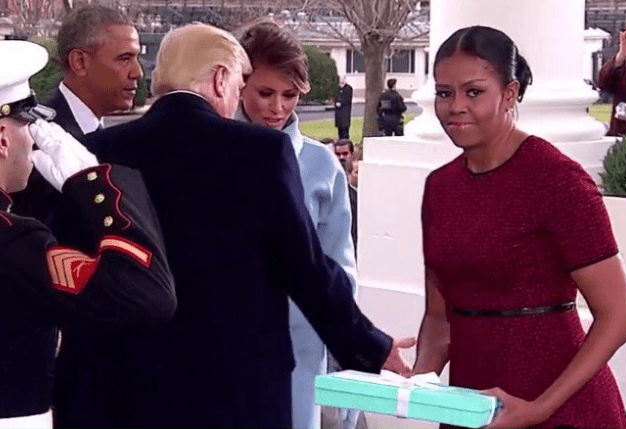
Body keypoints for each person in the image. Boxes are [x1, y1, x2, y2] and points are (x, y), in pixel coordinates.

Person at [68, 23, 410, 428]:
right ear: (219, 77)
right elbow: (307, 269)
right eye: (241, 84)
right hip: (238, 391)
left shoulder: (99, 150)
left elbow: (80, 276)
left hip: (129, 388)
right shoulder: (263, 153)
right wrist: (372, 345)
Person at [413, 26, 626, 429]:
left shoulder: (557, 181)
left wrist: (540, 407)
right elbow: (439, 317)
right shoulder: (440, 188)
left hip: (560, 409)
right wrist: (417, 385)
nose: (455, 106)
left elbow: (619, 316)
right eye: (444, 93)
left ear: (510, 94)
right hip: (471, 407)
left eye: (474, 91)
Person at [0, 40, 174, 428]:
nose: (32, 142)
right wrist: (95, 185)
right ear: (2, 139)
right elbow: (147, 295)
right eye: (30, 127)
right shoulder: (14, 242)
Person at [235, 20, 357, 428]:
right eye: (265, 93)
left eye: (290, 96)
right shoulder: (210, 155)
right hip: (221, 337)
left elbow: (339, 267)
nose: (278, 108)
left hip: (300, 344)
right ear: (238, 84)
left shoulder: (323, 165)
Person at [10, 4, 143, 228]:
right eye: (124, 58)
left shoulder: (120, 139)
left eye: (136, 58)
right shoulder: (33, 141)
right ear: (80, 62)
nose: (137, 72)